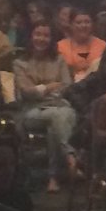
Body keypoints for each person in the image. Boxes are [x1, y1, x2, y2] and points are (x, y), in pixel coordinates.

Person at [9, 20, 80, 192]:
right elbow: (26, 92)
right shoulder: (20, 63)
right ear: (31, 37)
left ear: (51, 39)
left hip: (60, 107)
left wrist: (40, 89)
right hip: (31, 112)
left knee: (55, 124)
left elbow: (67, 86)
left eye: (46, 35)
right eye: (38, 34)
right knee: (58, 116)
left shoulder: (59, 60)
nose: (41, 38)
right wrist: (49, 87)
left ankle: (53, 178)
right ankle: (71, 158)